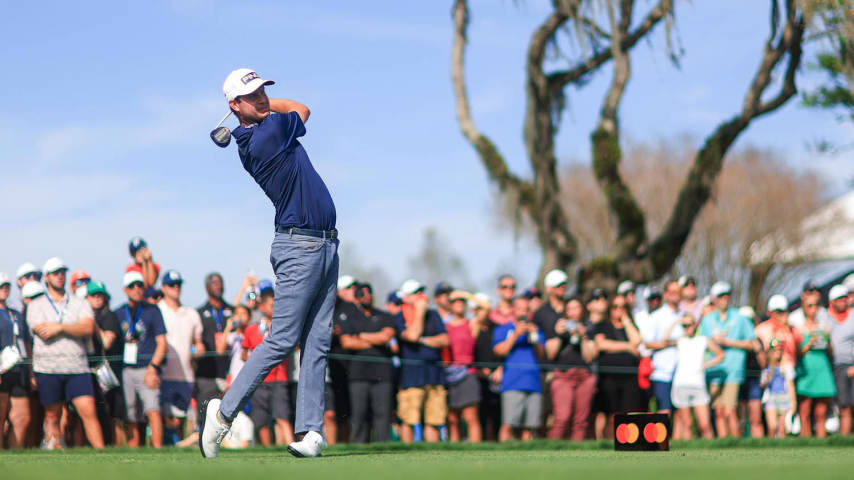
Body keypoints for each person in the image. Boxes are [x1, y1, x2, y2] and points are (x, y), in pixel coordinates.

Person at [200, 69, 339, 459]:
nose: (262, 98)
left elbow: (289, 110)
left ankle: (310, 431)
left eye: (263, 91)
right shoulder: (265, 135)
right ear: (233, 105)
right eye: (252, 94)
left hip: (325, 244)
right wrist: (265, 111)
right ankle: (222, 414)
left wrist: (254, 107)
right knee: (282, 339)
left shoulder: (261, 126)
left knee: (317, 343)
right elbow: (302, 107)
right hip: (300, 246)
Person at [26, 258, 104, 449]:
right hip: (48, 367)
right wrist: (72, 327)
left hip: (77, 366)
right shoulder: (36, 305)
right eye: (55, 273)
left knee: (89, 411)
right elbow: (41, 331)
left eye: (62, 272)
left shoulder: (80, 302)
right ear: (46, 277)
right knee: (52, 415)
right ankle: (55, 456)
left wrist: (59, 327)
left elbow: (87, 328)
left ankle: (104, 455)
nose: (60, 276)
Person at [339, 282, 396, 443]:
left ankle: (383, 446)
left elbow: (386, 336)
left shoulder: (384, 316)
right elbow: (347, 342)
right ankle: (358, 446)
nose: (367, 296)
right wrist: (375, 339)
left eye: (369, 292)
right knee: (359, 414)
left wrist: (360, 336)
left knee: (382, 413)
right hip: (358, 374)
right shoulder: (349, 317)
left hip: (382, 374)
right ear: (356, 298)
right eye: (362, 293)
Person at [698, 281, 756, 438]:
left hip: (733, 370)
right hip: (714, 370)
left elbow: (753, 344)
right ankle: (723, 444)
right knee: (718, 411)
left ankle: (735, 443)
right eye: (720, 297)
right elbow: (701, 343)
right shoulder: (707, 320)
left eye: (726, 296)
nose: (724, 299)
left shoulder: (740, 318)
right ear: (714, 299)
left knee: (729, 409)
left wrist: (728, 342)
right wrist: (714, 342)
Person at [394, 279, 449, 443]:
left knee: (434, 421)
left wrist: (424, 341)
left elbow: (445, 340)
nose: (421, 296)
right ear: (406, 298)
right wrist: (419, 312)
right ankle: (406, 457)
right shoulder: (399, 317)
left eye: (421, 292)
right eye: (417, 293)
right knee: (409, 421)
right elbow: (412, 335)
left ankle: (432, 457)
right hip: (411, 377)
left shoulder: (433, 315)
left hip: (434, 375)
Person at [118, 271, 168, 448]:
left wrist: (153, 368)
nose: (137, 289)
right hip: (126, 369)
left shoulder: (152, 311)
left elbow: (162, 342)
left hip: (147, 368)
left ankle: (157, 450)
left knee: (152, 410)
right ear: (125, 289)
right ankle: (134, 453)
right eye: (132, 286)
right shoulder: (118, 313)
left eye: (140, 285)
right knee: (130, 414)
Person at [158, 270, 205, 444]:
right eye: (171, 284)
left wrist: (199, 349)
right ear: (163, 288)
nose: (176, 288)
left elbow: (198, 342)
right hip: (163, 374)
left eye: (178, 284)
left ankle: (176, 450)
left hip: (185, 375)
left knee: (180, 419)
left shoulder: (191, 313)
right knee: (166, 418)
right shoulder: (158, 311)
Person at [241, 289, 293, 446]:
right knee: (261, 420)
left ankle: (290, 446)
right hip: (259, 379)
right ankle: (268, 449)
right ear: (262, 306)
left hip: (279, 377)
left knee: (282, 416)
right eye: (271, 305)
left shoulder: (283, 327)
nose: (274, 308)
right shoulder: (252, 328)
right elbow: (244, 353)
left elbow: (293, 346)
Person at [493, 294, 546, 442]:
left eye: (526, 309)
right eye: (520, 309)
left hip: (534, 384)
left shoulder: (536, 330)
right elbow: (498, 351)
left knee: (530, 427)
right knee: (508, 425)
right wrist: (515, 335)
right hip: (512, 383)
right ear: (513, 310)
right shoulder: (503, 329)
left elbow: (541, 354)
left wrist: (534, 336)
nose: (523, 313)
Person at [546, 295, 597, 440]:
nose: (573, 312)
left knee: (580, 421)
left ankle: (577, 455)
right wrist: (558, 334)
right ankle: (550, 453)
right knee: (562, 417)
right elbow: (550, 353)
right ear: (565, 312)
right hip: (563, 376)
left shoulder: (588, 328)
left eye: (576, 308)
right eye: (570, 309)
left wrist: (583, 336)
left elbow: (589, 357)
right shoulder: (557, 327)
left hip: (584, 377)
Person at [592, 294, 642, 438]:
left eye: (623, 307)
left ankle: (630, 446)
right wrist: (627, 347)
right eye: (615, 307)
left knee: (630, 416)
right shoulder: (602, 325)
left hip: (630, 378)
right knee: (611, 415)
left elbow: (637, 340)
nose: (619, 310)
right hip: (609, 377)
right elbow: (602, 344)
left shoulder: (630, 325)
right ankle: (608, 446)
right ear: (610, 308)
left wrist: (626, 321)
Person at [669, 314, 724, 440]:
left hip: (698, 385)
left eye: (689, 324)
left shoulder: (703, 340)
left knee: (705, 425)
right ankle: (685, 457)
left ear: (695, 325)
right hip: (681, 385)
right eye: (684, 325)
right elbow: (664, 339)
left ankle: (714, 456)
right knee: (686, 424)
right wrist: (676, 321)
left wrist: (706, 364)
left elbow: (721, 355)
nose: (687, 328)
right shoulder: (679, 341)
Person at [86, 280, 126, 446]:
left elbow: (107, 342)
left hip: (107, 373)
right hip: (89, 370)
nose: (97, 298)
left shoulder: (108, 316)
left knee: (112, 415)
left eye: (100, 295)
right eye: (93, 295)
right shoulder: (82, 317)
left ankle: (113, 446)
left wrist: (92, 324)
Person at [792, 292, 836, 438]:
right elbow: (796, 352)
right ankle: (806, 440)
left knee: (821, 411)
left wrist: (827, 341)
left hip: (822, 368)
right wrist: (809, 343)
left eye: (816, 305)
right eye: (809, 305)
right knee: (804, 410)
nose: (813, 308)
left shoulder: (824, 327)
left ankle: (822, 441)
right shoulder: (798, 328)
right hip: (806, 368)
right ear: (804, 308)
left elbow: (830, 352)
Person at [444, 291, 485, 443]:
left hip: (467, 372)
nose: (459, 303)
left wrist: (465, 294)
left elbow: (486, 308)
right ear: (450, 305)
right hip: (449, 373)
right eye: (455, 301)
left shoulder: (471, 323)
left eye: (462, 301)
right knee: (453, 419)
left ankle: (476, 453)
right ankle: (455, 453)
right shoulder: (445, 326)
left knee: (470, 417)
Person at [0, 272, 33, 449]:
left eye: (6, 286)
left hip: (19, 370)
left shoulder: (16, 314)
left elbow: (27, 344)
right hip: (1, 372)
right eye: (1, 286)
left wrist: (31, 372)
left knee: (23, 417)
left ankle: (15, 456)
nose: (4, 289)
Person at [196, 272, 234, 405]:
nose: (219, 286)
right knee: (206, 415)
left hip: (229, 372)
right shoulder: (199, 313)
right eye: (214, 283)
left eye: (220, 282)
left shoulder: (231, 311)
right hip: (207, 374)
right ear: (207, 287)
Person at [827, 284, 854, 435]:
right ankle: (844, 438)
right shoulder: (826, 318)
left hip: (850, 365)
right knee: (843, 405)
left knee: (849, 405)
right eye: (839, 299)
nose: (843, 301)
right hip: (833, 367)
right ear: (832, 301)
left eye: (845, 298)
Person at [760, 339, 797, 438]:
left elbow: (790, 385)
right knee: (772, 426)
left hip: (784, 397)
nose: (778, 353)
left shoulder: (786, 367)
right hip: (771, 398)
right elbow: (763, 384)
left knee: (782, 428)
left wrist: (793, 402)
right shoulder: (767, 369)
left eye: (780, 350)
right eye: (775, 351)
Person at [738, 305, 765, 438]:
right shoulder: (736, 339)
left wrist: (758, 350)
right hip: (738, 379)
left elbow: (764, 363)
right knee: (740, 419)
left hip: (754, 379)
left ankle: (758, 447)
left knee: (756, 419)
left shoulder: (758, 340)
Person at [219, 305, 251, 388]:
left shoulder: (253, 334)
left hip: (251, 380)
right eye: (237, 314)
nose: (240, 316)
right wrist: (228, 327)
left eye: (243, 314)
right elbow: (220, 350)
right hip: (235, 380)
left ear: (249, 317)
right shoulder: (232, 336)